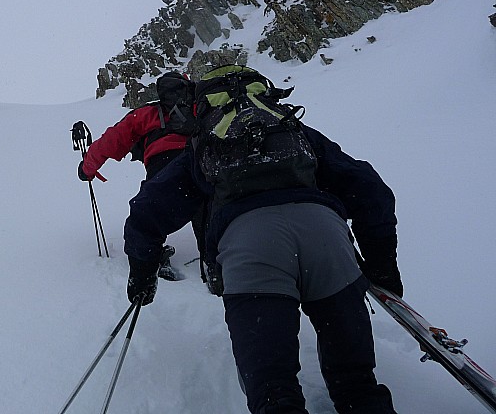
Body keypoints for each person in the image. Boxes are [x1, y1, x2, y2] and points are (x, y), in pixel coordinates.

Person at [123, 65, 401, 414]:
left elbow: (146, 213)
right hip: (326, 237)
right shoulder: (294, 131)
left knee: (273, 391)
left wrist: (143, 275)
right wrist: (382, 266)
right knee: (358, 385)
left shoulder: (204, 146)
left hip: (250, 247)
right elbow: (369, 189)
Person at [77, 71, 210, 282]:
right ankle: (215, 263)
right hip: (201, 164)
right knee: (206, 213)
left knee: (149, 218)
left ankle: (151, 263)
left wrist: (88, 168)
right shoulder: (200, 108)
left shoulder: (147, 114)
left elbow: (111, 140)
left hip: (163, 171)